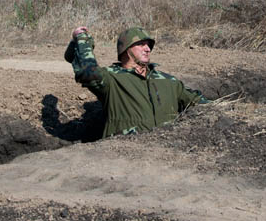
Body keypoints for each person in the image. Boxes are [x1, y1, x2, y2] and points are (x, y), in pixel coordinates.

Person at [64, 26, 208, 138]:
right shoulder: (111, 79)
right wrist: (82, 39)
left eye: (148, 45)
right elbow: (88, 72)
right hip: (124, 157)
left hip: (168, 154)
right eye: (141, 44)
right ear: (126, 49)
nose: (147, 49)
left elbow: (200, 104)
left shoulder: (169, 81)